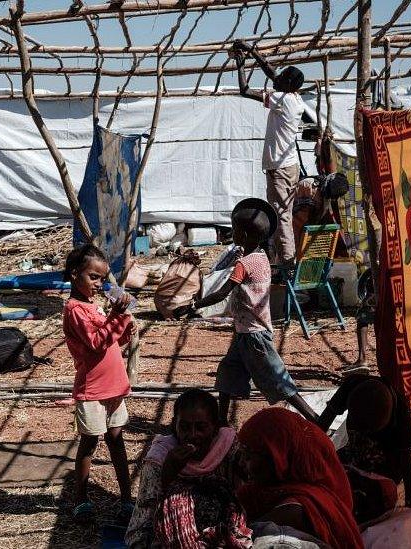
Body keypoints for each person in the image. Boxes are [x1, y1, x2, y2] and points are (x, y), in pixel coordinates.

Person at [177, 199, 318, 423]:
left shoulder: (244, 264)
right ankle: (221, 422)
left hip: (254, 335)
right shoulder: (262, 258)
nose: (232, 234)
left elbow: (222, 293)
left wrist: (193, 306)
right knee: (227, 373)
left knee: (278, 380)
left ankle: (316, 419)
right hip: (245, 332)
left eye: (234, 230)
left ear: (242, 234)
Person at [62, 244, 135, 522]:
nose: (99, 283)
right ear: (74, 275)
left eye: (102, 278)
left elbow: (112, 340)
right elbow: (96, 343)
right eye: (93, 277)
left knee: (117, 441)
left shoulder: (94, 306)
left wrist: (124, 326)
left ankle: (126, 498)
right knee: (89, 443)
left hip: (114, 385)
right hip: (92, 389)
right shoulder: (75, 310)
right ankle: (81, 499)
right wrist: (118, 317)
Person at [126, 389, 251, 548]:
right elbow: (144, 518)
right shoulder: (160, 457)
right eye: (184, 427)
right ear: (174, 425)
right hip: (170, 536)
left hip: (222, 530)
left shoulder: (227, 447)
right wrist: (169, 474)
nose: (192, 435)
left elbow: (248, 487)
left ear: (215, 427)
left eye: (201, 427)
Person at [238, 407, 364, 549]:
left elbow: (234, 537)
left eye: (249, 455)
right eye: (242, 453)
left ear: (278, 457)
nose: (241, 462)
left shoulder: (295, 510)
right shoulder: (269, 491)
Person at [231, 39, 307, 268]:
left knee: (281, 215)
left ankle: (287, 263)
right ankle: (281, 257)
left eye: (282, 78)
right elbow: (272, 72)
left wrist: (240, 63)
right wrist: (252, 50)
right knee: (284, 212)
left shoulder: (282, 101)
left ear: (288, 84)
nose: (277, 80)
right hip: (289, 165)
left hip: (280, 167)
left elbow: (244, 90)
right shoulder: (294, 98)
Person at [317, 375, 411, 522]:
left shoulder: (400, 410)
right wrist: (312, 443)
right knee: (329, 475)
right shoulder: (351, 385)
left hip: (385, 464)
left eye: (370, 429)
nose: (365, 432)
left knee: (375, 498)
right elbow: (327, 417)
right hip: (355, 452)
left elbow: (406, 458)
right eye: (360, 428)